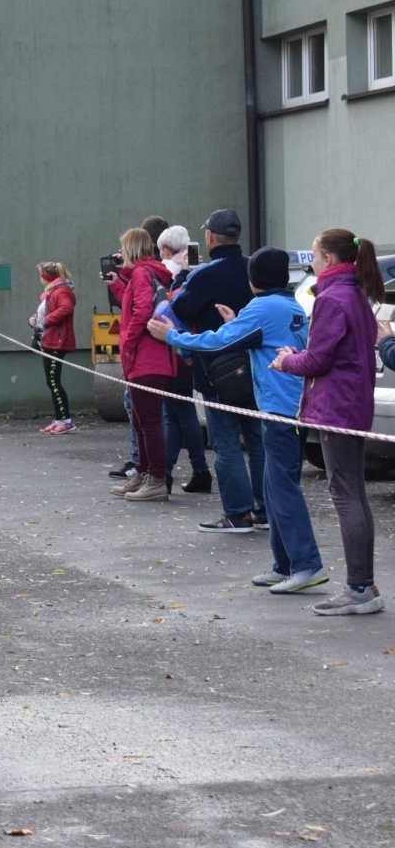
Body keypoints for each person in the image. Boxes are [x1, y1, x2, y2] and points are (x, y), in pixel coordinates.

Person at [151, 247, 322, 593]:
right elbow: (258, 338)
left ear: (253, 280)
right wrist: (236, 324)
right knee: (274, 489)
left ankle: (306, 565)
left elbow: (216, 344)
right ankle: (284, 564)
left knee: (284, 490)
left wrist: (171, 336)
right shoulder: (291, 305)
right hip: (293, 406)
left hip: (279, 410)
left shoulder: (262, 307)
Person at [276, 230, 384, 614]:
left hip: (335, 407)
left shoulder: (331, 298)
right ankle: (363, 586)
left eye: (317, 255)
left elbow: (317, 361)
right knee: (354, 493)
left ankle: (359, 587)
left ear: (330, 260)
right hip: (352, 404)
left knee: (345, 495)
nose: (314, 263)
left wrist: (285, 360)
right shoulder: (355, 294)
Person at [170, 208, 267, 533]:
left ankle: (237, 513)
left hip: (215, 371)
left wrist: (183, 278)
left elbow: (179, 309)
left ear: (210, 237)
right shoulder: (253, 267)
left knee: (226, 443)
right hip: (254, 367)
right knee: (257, 441)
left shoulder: (204, 275)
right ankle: (265, 511)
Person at [107, 227, 179, 501]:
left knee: (148, 422)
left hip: (145, 359)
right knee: (141, 420)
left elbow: (141, 312)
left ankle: (155, 478)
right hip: (153, 358)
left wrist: (128, 345)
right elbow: (138, 300)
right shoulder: (147, 273)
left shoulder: (140, 273)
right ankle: (143, 472)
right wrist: (117, 282)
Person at [155, 227, 212, 493]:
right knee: (176, 412)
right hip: (190, 347)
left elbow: (174, 305)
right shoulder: (201, 270)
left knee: (178, 413)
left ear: (166, 250)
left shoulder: (172, 272)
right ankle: (172, 471)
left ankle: (185, 471)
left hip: (176, 347)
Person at [28, 262, 76, 434]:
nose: (39, 278)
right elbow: (43, 313)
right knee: (52, 381)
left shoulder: (61, 291)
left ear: (46, 276)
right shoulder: (51, 291)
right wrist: (33, 321)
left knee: (54, 382)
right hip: (48, 341)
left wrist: (46, 320)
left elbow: (66, 309)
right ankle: (58, 419)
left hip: (57, 342)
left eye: (40, 275)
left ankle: (66, 420)